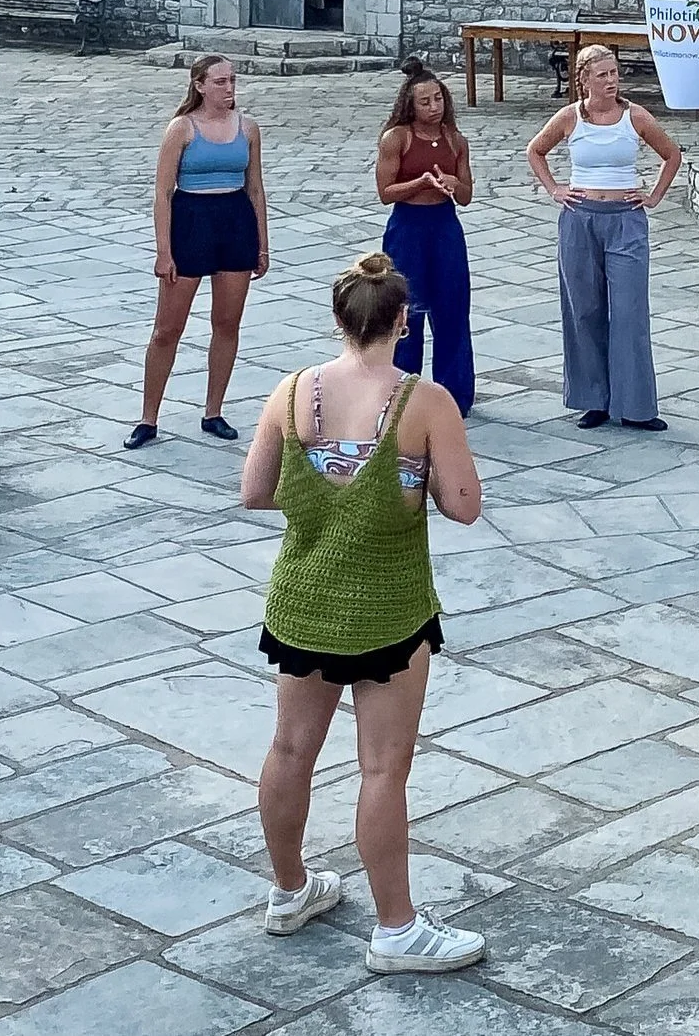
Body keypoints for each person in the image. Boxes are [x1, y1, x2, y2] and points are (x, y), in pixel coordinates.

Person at [241, 252, 488, 973]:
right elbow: (465, 507)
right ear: (403, 321)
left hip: (302, 602)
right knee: (382, 770)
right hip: (388, 608)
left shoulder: (291, 392)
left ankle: (290, 888)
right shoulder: (425, 401)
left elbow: (254, 490)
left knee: (290, 749)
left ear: (338, 318)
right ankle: (396, 927)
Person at [527, 46, 684, 430]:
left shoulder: (635, 116)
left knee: (629, 313)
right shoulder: (569, 118)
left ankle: (636, 406)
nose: (611, 81)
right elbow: (536, 151)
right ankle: (593, 400)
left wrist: (654, 196)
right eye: (602, 75)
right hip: (579, 220)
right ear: (583, 79)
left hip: (625, 220)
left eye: (614, 73)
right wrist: (554, 190)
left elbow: (672, 154)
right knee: (584, 310)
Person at [131, 54, 270, 450]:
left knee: (227, 323)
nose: (229, 89)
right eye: (221, 82)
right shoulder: (182, 129)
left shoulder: (248, 128)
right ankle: (148, 417)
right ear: (200, 85)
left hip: (235, 221)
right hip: (192, 221)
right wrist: (164, 251)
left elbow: (255, 187)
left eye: (232, 81)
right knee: (168, 328)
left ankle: (214, 411)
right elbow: (162, 192)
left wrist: (262, 243)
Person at [377, 59, 475, 416]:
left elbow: (466, 196)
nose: (434, 107)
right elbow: (385, 192)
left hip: (444, 227)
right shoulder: (397, 139)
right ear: (410, 105)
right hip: (408, 228)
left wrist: (454, 184)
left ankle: (455, 394)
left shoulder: (455, 140)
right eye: (425, 101)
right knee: (407, 311)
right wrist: (419, 183)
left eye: (438, 99)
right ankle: (404, 391)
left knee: (452, 308)